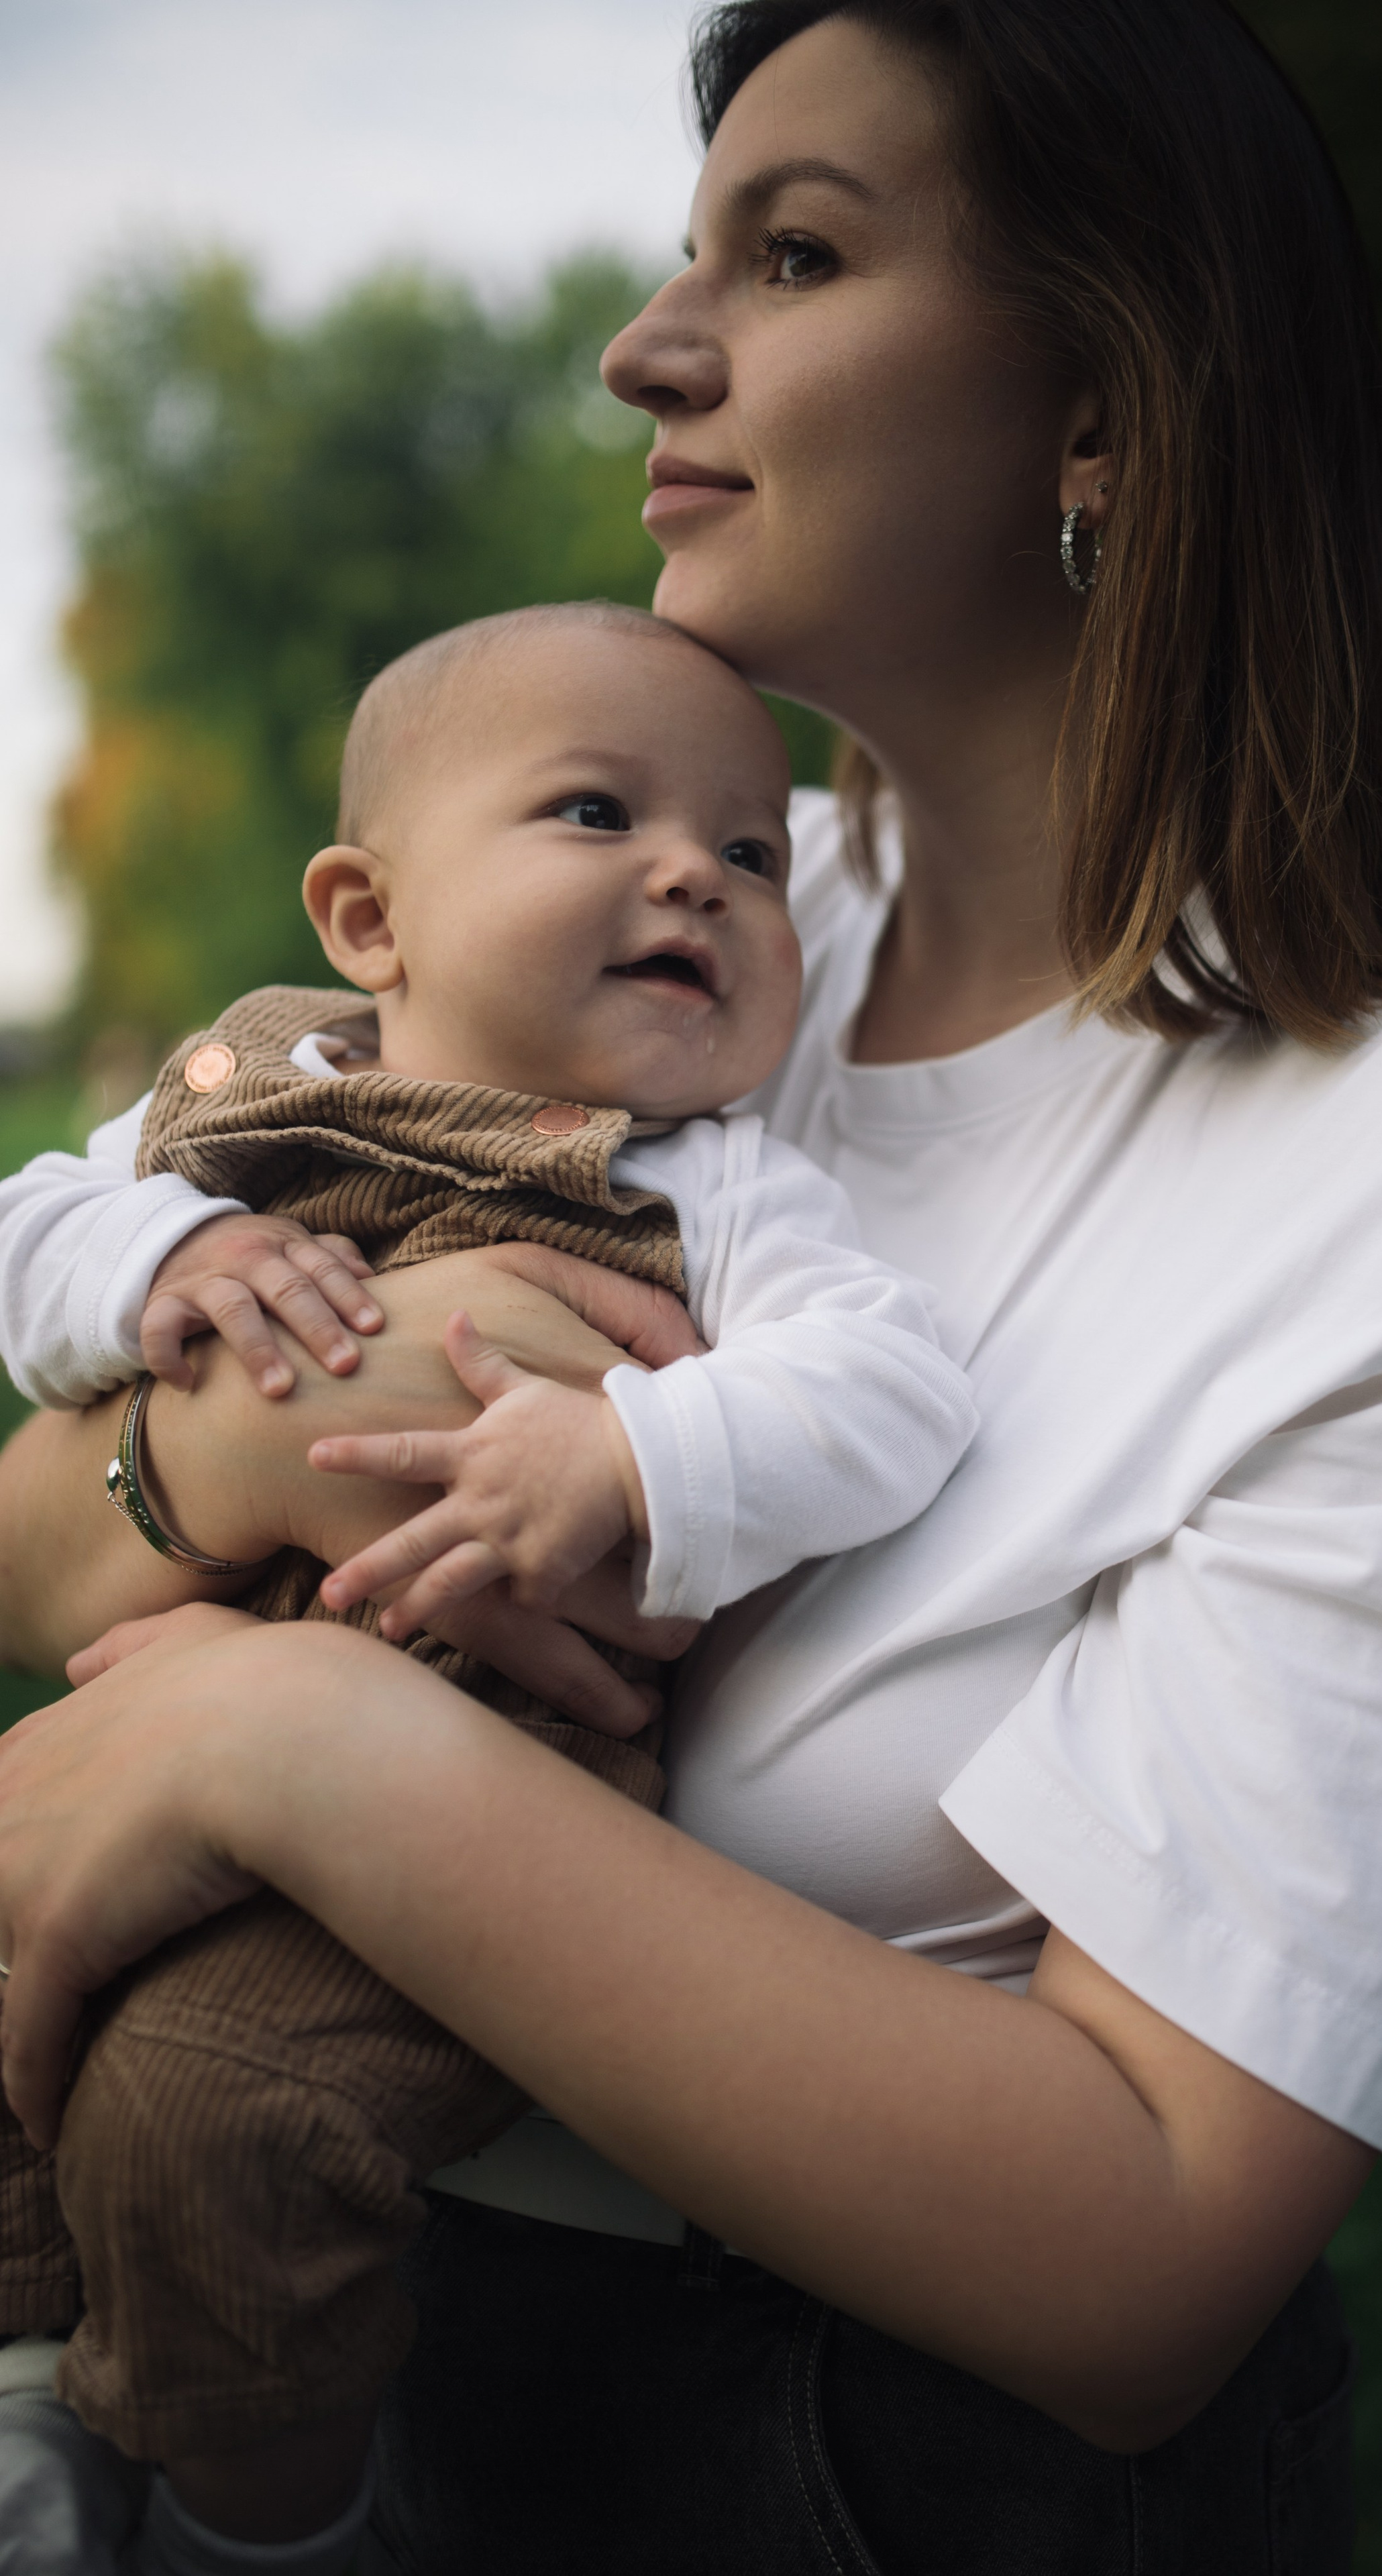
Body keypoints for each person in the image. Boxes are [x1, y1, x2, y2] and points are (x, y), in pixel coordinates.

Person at [0, 4, 1382, 2571]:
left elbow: (1143, 2263)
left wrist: (288, 1744)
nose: (643, 346)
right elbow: (37, 1536)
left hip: (861, 2479)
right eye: (692, 252)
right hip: (332, 2315)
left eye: (792, 257)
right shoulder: (654, 923)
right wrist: (241, 1427)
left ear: (1105, 407)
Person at [0, 596, 977, 2568]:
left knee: (213, 2122)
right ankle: (36, 2404)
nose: (696, 874)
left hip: (470, 1804)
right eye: (599, 813)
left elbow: (894, 1390)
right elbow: (33, 1230)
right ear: (371, 919)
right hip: (162, 1720)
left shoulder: (706, 1182)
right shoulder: (233, 1094)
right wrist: (156, 1262)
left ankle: (254, 2524)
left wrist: (634, 1454)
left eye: (752, 852)